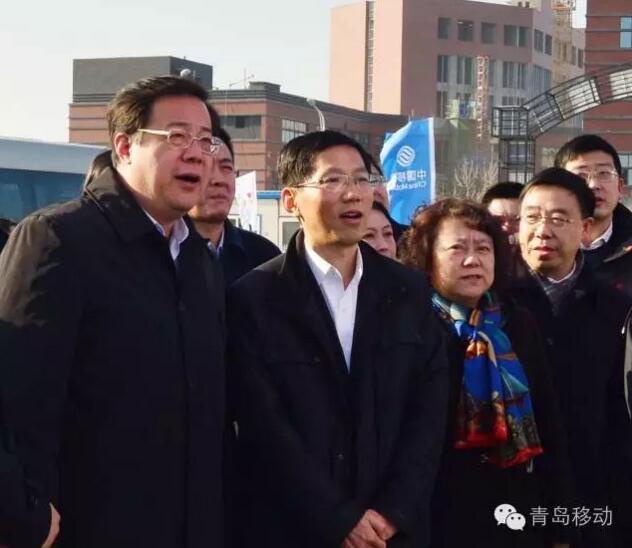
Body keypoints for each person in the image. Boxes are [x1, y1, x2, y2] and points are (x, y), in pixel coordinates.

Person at [0, 76, 226, 548]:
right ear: (124, 146)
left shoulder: (198, 259)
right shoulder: (57, 239)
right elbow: (17, 398)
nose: (197, 154)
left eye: (206, 140)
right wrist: (26, 513)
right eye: (177, 137)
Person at [227, 130, 448, 548]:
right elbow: (264, 425)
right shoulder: (254, 298)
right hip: (295, 528)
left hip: (392, 531)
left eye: (361, 179)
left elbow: (428, 411)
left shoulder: (408, 290)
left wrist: (393, 511)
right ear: (291, 201)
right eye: (333, 180)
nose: (353, 193)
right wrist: (337, 518)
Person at [399, 198, 573, 548]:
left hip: (515, 509)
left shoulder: (516, 322)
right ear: (427, 257)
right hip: (434, 513)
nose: (472, 260)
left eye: (483, 248)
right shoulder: (410, 326)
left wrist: (562, 527)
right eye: (457, 248)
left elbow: (549, 421)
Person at [511, 167, 632, 547]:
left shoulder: (615, 308)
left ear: (586, 229)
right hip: (509, 503)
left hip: (593, 502)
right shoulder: (493, 302)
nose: (542, 230)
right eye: (532, 218)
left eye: (559, 219)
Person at [188, 127, 280, 285]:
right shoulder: (155, 254)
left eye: (226, 168)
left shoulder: (265, 257)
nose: (218, 180)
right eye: (203, 167)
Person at [554, 134, 632, 295]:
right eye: (580, 176)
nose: (593, 185)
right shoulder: (538, 247)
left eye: (604, 173)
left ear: (620, 187)